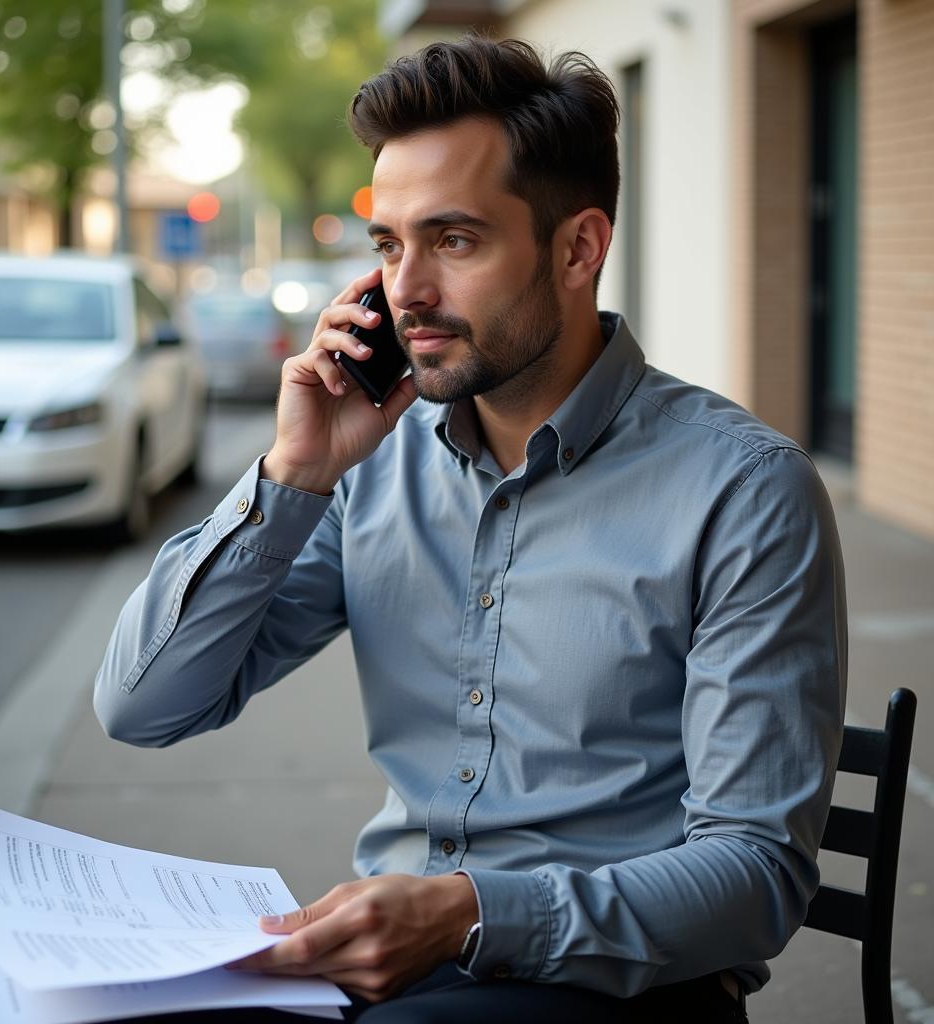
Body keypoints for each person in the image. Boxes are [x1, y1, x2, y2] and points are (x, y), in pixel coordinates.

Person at [95, 34, 846, 1024]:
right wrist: (294, 475)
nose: (405, 292)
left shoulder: (744, 490)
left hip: (622, 990)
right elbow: (144, 706)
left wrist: (464, 916)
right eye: (388, 244)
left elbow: (755, 879)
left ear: (578, 247)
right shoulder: (370, 468)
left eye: (454, 241)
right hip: (390, 976)